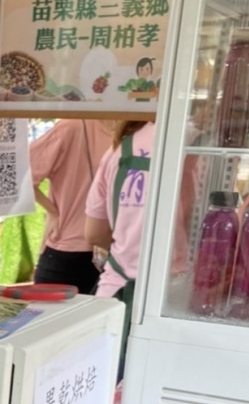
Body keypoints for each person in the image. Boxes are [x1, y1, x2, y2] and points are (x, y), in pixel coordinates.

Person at [85, 119, 194, 368]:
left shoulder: (120, 148)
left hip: (113, 300)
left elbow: (93, 233)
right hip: (174, 304)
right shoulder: (199, 145)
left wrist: (128, 248)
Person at [30, 118, 113, 293]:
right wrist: (53, 211)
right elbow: (19, 174)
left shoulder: (142, 131)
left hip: (120, 256)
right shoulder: (74, 127)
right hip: (69, 251)